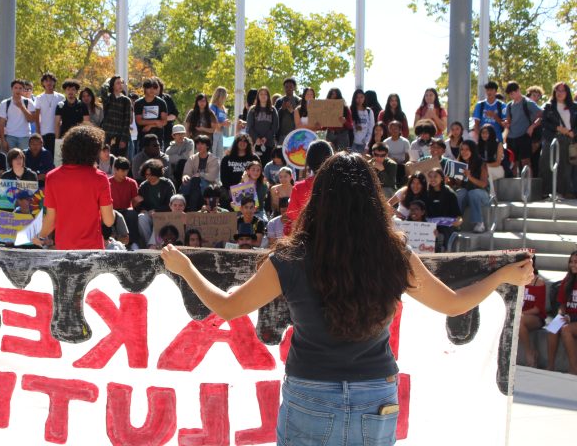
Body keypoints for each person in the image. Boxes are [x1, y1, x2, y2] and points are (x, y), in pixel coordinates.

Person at [159, 152, 532, 446]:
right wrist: (502, 276)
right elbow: (454, 304)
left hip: (310, 394)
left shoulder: (291, 257)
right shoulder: (394, 253)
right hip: (377, 396)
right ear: (374, 199)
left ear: (318, 198)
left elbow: (226, 307)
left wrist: (184, 268)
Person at [35, 125, 114, 250]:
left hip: (63, 248)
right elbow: (109, 221)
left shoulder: (52, 176)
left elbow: (51, 219)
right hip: (93, 249)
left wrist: (40, 236)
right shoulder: (100, 178)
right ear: (93, 151)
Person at [285, 139, 334, 234]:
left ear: (308, 160)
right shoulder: (340, 185)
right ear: (331, 159)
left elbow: (291, 223)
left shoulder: (299, 188)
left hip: (306, 242)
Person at [539, 82, 576, 199]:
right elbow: (544, 123)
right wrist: (558, 128)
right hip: (551, 138)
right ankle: (547, 192)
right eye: (557, 90)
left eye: (562, 91)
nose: (559, 93)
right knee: (546, 164)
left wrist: (572, 133)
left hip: (568, 139)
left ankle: (566, 191)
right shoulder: (548, 106)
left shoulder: (574, 106)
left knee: (566, 166)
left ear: (567, 93)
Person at [134, 159, 176, 248]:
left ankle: (152, 245)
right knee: (141, 218)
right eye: (147, 175)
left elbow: (172, 204)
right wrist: (142, 210)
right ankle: (149, 245)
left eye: (151, 174)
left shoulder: (167, 184)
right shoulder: (143, 186)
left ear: (157, 173)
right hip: (148, 214)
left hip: (163, 215)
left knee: (157, 218)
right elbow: (140, 205)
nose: (149, 177)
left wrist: (156, 211)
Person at [547, 251, 577, 374]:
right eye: (571, 262)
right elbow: (562, 304)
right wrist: (560, 314)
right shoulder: (568, 280)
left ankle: (574, 368)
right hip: (569, 317)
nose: (572, 265)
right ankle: (550, 366)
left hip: (573, 319)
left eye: (576, 262)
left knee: (566, 330)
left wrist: (570, 317)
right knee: (553, 326)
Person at [503, 81, 542, 174]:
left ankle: (528, 187)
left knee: (526, 163)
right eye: (510, 94)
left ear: (518, 90)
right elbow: (508, 121)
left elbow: (542, 116)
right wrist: (505, 124)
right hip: (511, 138)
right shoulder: (509, 105)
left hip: (524, 137)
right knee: (513, 164)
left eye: (513, 93)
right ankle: (514, 187)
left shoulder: (528, 103)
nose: (512, 96)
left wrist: (532, 127)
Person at [456, 140, 491, 233]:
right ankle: (457, 223)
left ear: (473, 150)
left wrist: (469, 177)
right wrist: (456, 179)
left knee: (473, 193)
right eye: (462, 149)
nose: (464, 152)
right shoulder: (459, 163)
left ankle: (479, 223)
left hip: (483, 194)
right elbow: (460, 185)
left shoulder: (481, 163)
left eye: (467, 149)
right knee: (460, 193)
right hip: (467, 193)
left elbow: (483, 184)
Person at [425, 167, 462, 252]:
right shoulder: (427, 194)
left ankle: (444, 250)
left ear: (442, 178)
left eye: (435, 176)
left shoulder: (450, 194)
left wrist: (458, 221)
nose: (432, 179)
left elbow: (458, 216)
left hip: (446, 225)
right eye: (430, 177)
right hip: (431, 224)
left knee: (444, 229)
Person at [219, 133, 261, 208]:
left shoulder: (254, 158)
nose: (243, 143)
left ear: (248, 144)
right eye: (240, 141)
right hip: (230, 188)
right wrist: (230, 189)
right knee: (222, 193)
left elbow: (259, 174)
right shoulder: (227, 158)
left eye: (245, 141)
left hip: (249, 187)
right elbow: (223, 177)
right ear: (236, 143)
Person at [181, 135, 219, 211]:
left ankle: (192, 208)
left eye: (202, 144)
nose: (199, 146)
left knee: (197, 181)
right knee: (194, 182)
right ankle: (191, 207)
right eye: (197, 144)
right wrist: (185, 176)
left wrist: (200, 174)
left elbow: (212, 177)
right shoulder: (192, 158)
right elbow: (186, 172)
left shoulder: (214, 159)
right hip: (194, 184)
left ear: (207, 146)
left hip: (209, 185)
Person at [0, 79, 36, 151]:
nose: (18, 90)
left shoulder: (28, 102)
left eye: (20, 88)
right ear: (12, 89)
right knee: (9, 160)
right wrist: (3, 140)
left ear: (23, 90)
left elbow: (32, 119)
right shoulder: (5, 103)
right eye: (15, 88)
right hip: (10, 136)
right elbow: (1, 123)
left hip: (25, 136)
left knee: (24, 160)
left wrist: (22, 107)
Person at [520, 262, 546, 367]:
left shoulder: (539, 282)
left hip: (536, 317)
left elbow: (537, 309)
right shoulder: (517, 280)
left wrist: (520, 313)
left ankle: (528, 353)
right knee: (519, 322)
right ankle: (530, 351)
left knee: (519, 321)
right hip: (520, 316)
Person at [102, 75, 133, 157]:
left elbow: (127, 121)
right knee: (106, 158)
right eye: (118, 83)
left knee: (119, 160)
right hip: (107, 134)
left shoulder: (126, 100)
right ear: (112, 85)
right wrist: (107, 82)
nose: (121, 85)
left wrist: (124, 139)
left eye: (122, 83)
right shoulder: (108, 98)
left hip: (119, 135)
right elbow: (103, 90)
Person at [247, 87, 280, 165]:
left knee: (267, 164)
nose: (263, 96)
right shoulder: (252, 110)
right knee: (255, 165)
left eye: (265, 94)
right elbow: (249, 127)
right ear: (258, 96)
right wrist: (256, 138)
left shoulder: (273, 109)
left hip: (269, 143)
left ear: (268, 96)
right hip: (255, 143)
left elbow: (275, 126)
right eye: (261, 94)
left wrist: (266, 137)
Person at [35, 72, 64, 154]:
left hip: (57, 133)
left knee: (57, 156)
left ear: (54, 82)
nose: (49, 83)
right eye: (46, 81)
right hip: (44, 132)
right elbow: (37, 117)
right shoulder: (39, 97)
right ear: (43, 83)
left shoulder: (61, 97)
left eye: (51, 80)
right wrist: (38, 132)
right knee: (45, 155)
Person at [135, 78, 168, 150]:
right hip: (142, 138)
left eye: (154, 88)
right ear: (144, 88)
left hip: (158, 139)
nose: (152, 90)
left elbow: (164, 121)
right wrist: (156, 122)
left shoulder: (161, 102)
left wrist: (150, 125)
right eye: (149, 87)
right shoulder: (138, 103)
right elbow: (139, 121)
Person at [350, 89, 374, 154]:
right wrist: (355, 127)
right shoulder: (351, 110)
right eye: (357, 97)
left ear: (364, 98)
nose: (359, 99)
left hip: (363, 143)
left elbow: (371, 128)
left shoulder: (369, 111)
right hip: (352, 142)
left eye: (361, 97)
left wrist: (366, 142)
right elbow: (348, 125)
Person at [276, 78, 299, 144]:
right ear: (284, 88)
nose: (289, 88)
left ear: (294, 88)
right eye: (286, 87)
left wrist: (292, 111)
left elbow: (300, 119)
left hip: (295, 135)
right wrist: (282, 109)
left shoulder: (298, 101)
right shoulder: (279, 101)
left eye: (291, 86)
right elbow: (275, 118)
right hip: (281, 136)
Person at [209, 86, 230, 160]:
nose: (225, 99)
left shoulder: (223, 108)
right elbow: (212, 122)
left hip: (221, 134)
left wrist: (226, 123)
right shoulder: (212, 107)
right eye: (224, 96)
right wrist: (222, 123)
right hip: (214, 134)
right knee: (212, 155)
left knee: (220, 156)